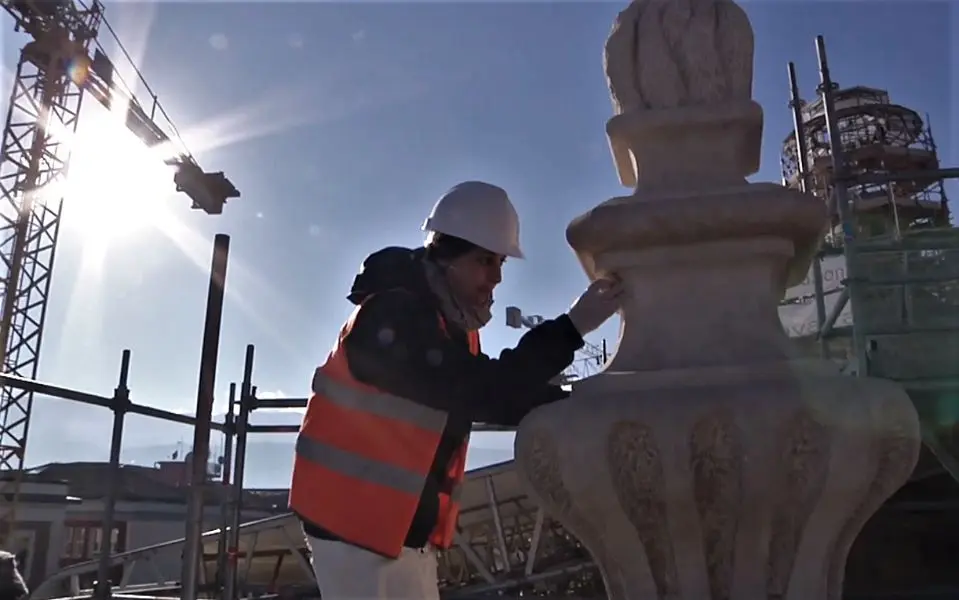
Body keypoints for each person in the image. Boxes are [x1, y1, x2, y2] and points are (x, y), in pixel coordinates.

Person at [288, 181, 624, 600]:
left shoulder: (447, 326)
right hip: (351, 526)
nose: (497, 278)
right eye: (486, 261)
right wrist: (573, 330)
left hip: (391, 527)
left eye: (500, 262)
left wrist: (578, 395)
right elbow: (482, 390)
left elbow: (494, 389)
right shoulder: (392, 317)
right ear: (448, 257)